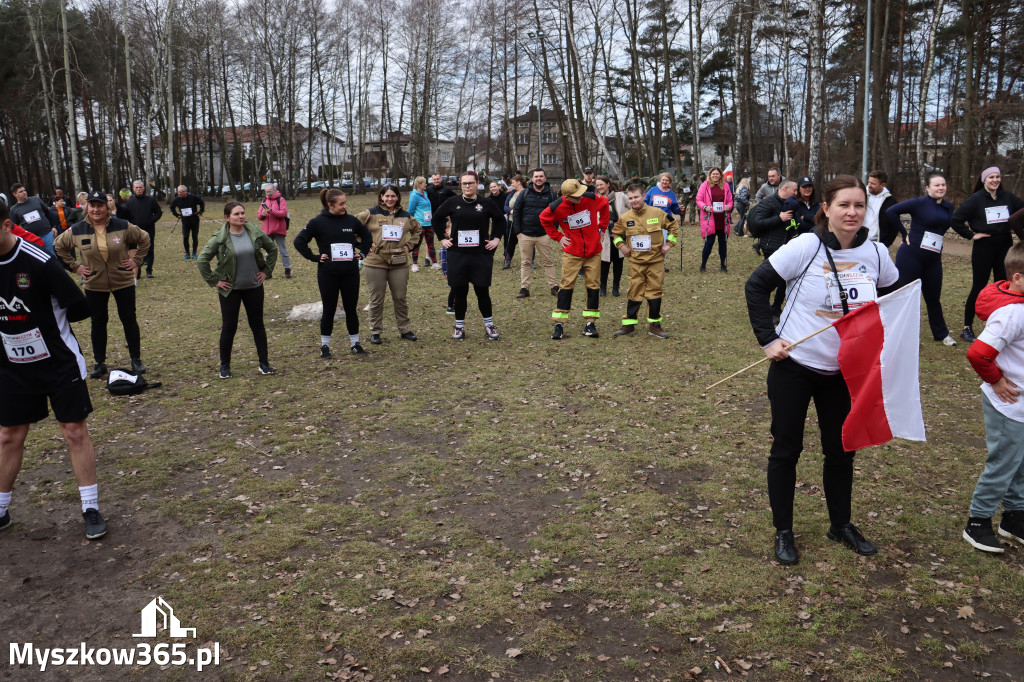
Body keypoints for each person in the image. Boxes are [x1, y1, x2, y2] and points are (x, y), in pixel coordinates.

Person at [744, 174, 899, 566]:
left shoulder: (876, 253)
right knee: (786, 449)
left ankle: (840, 524)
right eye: (844, 204)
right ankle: (783, 531)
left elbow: (891, 294)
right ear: (826, 209)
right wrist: (768, 339)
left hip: (844, 371)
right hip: (794, 366)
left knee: (841, 449)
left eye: (859, 205)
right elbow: (756, 286)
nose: (852, 212)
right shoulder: (806, 246)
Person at [0, 201, 107, 540]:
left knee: (73, 430)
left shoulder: (39, 261)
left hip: (58, 363)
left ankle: (90, 507)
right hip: (13, 367)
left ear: (6, 226)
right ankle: (1, 510)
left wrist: (45, 324)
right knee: (8, 435)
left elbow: (79, 307)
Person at [962, 242, 1024, 553]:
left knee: (1020, 463)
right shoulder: (1011, 314)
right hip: (1009, 404)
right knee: (1003, 464)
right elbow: (979, 353)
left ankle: (1014, 517)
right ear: (1017, 277)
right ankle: (977, 522)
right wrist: (996, 380)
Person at [54, 190, 150, 378]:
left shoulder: (122, 225)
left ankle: (136, 360)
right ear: (87, 207)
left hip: (122, 281)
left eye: (100, 205)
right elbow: (58, 246)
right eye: (92, 205)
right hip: (94, 283)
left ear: (107, 207)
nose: (96, 209)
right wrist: (75, 267)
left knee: (129, 319)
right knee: (98, 322)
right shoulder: (78, 229)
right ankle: (99, 362)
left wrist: (137, 261)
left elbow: (144, 238)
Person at [196, 201, 278, 378]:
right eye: (236, 214)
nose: (241, 216)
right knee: (229, 327)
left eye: (242, 213)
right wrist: (214, 281)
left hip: (254, 287)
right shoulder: (220, 237)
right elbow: (202, 260)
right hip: (230, 290)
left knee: (257, 325)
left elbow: (272, 249)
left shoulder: (254, 231)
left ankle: (264, 364)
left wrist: (266, 271)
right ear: (227, 218)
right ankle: (225, 366)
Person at [294, 188, 372, 357]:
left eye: (345, 203)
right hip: (328, 274)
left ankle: (355, 343)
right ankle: (325, 346)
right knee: (329, 310)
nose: (345, 206)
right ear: (330, 205)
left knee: (351, 309)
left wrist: (362, 254)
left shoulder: (351, 220)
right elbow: (299, 241)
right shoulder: (317, 222)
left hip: (350, 273)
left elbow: (367, 236)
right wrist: (314, 257)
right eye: (341, 204)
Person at [952, 167, 1024, 343]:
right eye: (991, 177)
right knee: (979, 285)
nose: (995, 180)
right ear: (984, 179)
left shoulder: (1007, 197)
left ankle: (999, 325)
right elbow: (955, 219)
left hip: (1005, 245)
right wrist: (971, 235)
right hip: (984, 246)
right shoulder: (975, 199)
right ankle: (967, 327)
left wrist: (1016, 227)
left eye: (998, 176)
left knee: (1003, 285)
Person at [433, 171, 506, 340]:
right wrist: (442, 239)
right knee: (460, 291)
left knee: (482, 291)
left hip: (480, 254)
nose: (467, 186)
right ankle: (459, 327)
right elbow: (436, 219)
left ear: (477, 183)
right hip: (458, 254)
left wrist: (496, 239)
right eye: (464, 183)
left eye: (470, 183)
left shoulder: (486, 203)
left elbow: (500, 220)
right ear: (460, 184)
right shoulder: (452, 202)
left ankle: (489, 325)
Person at [887, 173, 958, 346]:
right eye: (936, 185)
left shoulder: (948, 206)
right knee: (904, 296)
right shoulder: (918, 203)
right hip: (911, 256)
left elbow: (943, 228)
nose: (940, 188)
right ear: (927, 188)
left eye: (943, 185)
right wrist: (903, 233)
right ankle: (897, 332)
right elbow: (891, 211)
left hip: (933, 259)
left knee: (933, 298)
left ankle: (941, 334)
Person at [540, 178, 610, 339]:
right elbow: (543, 219)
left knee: (593, 287)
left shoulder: (590, 197)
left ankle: (590, 323)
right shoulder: (556, 206)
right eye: (576, 196)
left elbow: (605, 204)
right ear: (566, 196)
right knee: (566, 286)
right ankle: (559, 324)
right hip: (572, 253)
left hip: (593, 251)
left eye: (580, 194)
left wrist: (602, 228)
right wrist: (558, 237)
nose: (580, 197)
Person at [355, 185, 422, 345]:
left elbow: (418, 230)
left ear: (398, 197)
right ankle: (375, 331)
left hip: (399, 262)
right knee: (376, 298)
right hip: (375, 261)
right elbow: (352, 227)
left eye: (393, 196)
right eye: (387, 196)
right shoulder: (370, 213)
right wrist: (363, 244)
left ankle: (404, 329)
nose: (390, 199)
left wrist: (409, 246)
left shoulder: (406, 216)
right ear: (381, 197)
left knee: (400, 297)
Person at [611, 183, 679, 338]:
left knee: (654, 292)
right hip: (635, 263)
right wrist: (621, 246)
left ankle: (654, 325)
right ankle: (629, 324)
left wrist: (669, 244)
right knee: (634, 292)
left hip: (655, 262)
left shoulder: (657, 213)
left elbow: (673, 226)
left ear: (643, 196)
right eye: (630, 198)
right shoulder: (625, 217)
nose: (633, 201)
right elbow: (616, 234)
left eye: (636, 197)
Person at [512, 168, 559, 299]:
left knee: (548, 261)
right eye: (536, 176)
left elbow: (557, 213)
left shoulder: (551, 194)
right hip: (525, 234)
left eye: (541, 176)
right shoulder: (524, 193)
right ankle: (524, 288)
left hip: (544, 234)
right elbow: (516, 212)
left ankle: (554, 287)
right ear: (532, 179)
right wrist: (518, 231)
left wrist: (553, 231)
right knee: (525, 262)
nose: (538, 179)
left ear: (545, 178)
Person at [696, 167, 734, 273]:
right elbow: (698, 199)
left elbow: (730, 200)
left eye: (717, 174)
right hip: (710, 219)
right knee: (709, 243)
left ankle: (723, 265)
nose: (715, 176)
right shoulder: (705, 185)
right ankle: (703, 265)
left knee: (723, 243)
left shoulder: (726, 186)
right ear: (710, 175)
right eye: (713, 174)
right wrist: (705, 207)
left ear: (721, 175)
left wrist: (729, 206)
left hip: (722, 219)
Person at [596, 175, 627, 297]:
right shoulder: (596, 199)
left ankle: (615, 287)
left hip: (619, 234)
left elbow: (633, 206)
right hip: (604, 235)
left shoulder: (620, 196)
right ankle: (602, 287)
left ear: (608, 184)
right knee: (604, 262)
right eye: (597, 185)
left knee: (618, 262)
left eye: (601, 184)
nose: (599, 187)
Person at [124, 180, 162, 278]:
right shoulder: (129, 201)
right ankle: (138, 272)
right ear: (133, 189)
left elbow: (158, 212)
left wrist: (152, 220)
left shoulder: (150, 200)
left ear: (144, 188)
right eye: (136, 187)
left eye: (140, 187)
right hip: (134, 230)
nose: (138, 189)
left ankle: (149, 270)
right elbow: (125, 215)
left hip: (149, 229)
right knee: (135, 251)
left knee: (149, 249)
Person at [9, 184, 56, 255]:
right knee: (38, 257)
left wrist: (53, 227)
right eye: (21, 191)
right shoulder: (14, 209)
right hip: (32, 239)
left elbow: (48, 213)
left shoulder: (36, 199)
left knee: (52, 255)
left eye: (24, 190)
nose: (24, 192)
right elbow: (15, 227)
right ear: (14, 194)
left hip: (47, 234)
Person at [257, 183, 291, 278]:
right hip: (267, 231)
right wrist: (262, 214)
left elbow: (283, 213)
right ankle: (267, 272)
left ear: (274, 190)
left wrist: (271, 211)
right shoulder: (264, 201)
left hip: (279, 230)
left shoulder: (281, 200)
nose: (268, 194)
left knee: (283, 251)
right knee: (268, 253)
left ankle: (287, 270)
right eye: (266, 192)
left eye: (269, 191)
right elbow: (259, 216)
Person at [169, 185, 206, 260]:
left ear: (185, 192)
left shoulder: (193, 197)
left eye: (180, 192)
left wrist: (200, 212)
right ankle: (187, 253)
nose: (179, 194)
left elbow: (202, 203)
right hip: (185, 222)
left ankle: (194, 253)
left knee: (194, 237)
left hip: (195, 221)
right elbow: (172, 207)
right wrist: (177, 215)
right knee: (185, 237)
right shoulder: (177, 200)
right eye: (178, 192)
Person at [865, 170, 899, 245]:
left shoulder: (890, 201)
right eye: (869, 182)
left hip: (877, 244)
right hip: (858, 241)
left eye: (873, 183)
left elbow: (894, 225)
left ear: (882, 185)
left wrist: (885, 244)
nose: (869, 185)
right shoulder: (861, 196)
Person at [408, 177, 434, 273]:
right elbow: (410, 210)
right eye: (424, 183)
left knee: (430, 243)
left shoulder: (425, 194)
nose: (426, 185)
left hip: (429, 223)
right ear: (419, 184)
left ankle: (435, 263)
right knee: (417, 244)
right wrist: (413, 222)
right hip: (419, 224)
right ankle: (414, 264)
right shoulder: (414, 195)